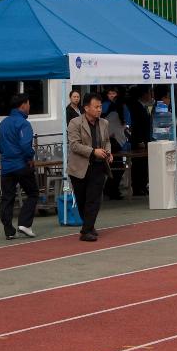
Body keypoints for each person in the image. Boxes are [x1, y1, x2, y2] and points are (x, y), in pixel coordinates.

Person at [66, 93, 111, 242]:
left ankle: (85, 231)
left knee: (94, 199)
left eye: (100, 106)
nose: (99, 110)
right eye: (96, 107)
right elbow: (74, 145)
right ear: (86, 108)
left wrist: (108, 153)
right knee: (82, 199)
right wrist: (93, 151)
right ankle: (89, 226)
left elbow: (107, 141)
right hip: (79, 168)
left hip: (98, 167)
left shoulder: (104, 123)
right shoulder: (74, 123)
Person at [0, 93, 40, 239]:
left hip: (6, 166)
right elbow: (25, 144)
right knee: (33, 193)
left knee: (7, 198)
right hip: (21, 164)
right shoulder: (23, 123)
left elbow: (0, 146)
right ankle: (24, 223)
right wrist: (30, 156)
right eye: (28, 104)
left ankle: (8, 230)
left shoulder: (3, 123)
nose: (30, 106)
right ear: (23, 105)